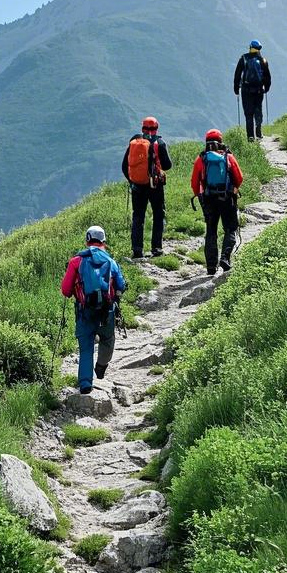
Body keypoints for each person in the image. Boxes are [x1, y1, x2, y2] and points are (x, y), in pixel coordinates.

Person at [61, 226, 127, 394]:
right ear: (103, 241)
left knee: (86, 347)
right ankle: (101, 366)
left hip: (84, 311)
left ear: (87, 240)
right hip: (107, 311)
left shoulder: (76, 261)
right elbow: (121, 285)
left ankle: (85, 384)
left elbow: (66, 290)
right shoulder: (110, 261)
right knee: (107, 339)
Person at [190, 129, 244, 275]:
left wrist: (200, 196)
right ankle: (225, 258)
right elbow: (239, 177)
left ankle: (211, 267)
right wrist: (233, 188)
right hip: (227, 198)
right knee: (230, 228)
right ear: (220, 142)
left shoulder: (201, 159)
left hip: (208, 199)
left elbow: (194, 183)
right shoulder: (228, 157)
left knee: (211, 231)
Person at [121, 116, 173, 258]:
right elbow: (168, 165)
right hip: (155, 185)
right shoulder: (159, 143)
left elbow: (125, 166)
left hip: (137, 186)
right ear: (156, 128)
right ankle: (156, 248)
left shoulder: (134, 142)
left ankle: (137, 250)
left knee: (138, 216)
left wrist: (133, 181)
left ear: (142, 128)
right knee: (158, 214)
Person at [233, 40, 271, 142]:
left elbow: (237, 75)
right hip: (259, 90)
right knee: (258, 109)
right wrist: (266, 88)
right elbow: (267, 77)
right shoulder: (263, 60)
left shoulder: (243, 59)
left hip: (246, 90)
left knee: (248, 113)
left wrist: (236, 89)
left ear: (250, 48)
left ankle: (250, 136)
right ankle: (258, 132)